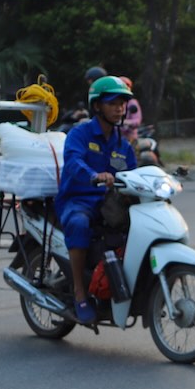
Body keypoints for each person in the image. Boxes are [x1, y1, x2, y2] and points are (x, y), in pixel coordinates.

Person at [54, 76, 137, 323]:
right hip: (78, 200)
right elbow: (73, 162)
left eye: (122, 103)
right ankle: (80, 293)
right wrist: (93, 175)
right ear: (98, 106)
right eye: (112, 103)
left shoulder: (123, 145)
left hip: (109, 204)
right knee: (79, 224)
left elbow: (134, 174)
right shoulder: (80, 134)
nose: (119, 108)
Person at [117, 76, 143, 146]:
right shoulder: (110, 102)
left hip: (129, 138)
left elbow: (137, 121)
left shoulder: (132, 103)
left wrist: (126, 122)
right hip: (114, 137)